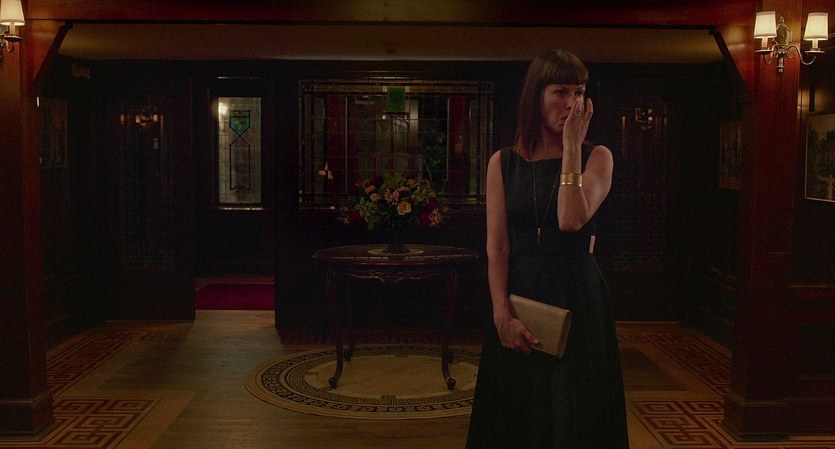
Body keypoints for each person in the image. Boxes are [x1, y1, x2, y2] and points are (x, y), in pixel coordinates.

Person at [466, 50, 629, 448]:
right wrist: (501, 314)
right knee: (515, 412)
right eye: (561, 92)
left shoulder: (597, 157)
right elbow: (497, 247)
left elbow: (570, 220)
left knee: (573, 413)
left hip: (577, 294)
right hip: (520, 294)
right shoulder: (503, 163)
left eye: (580, 92)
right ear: (536, 97)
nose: (572, 104)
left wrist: (571, 148)